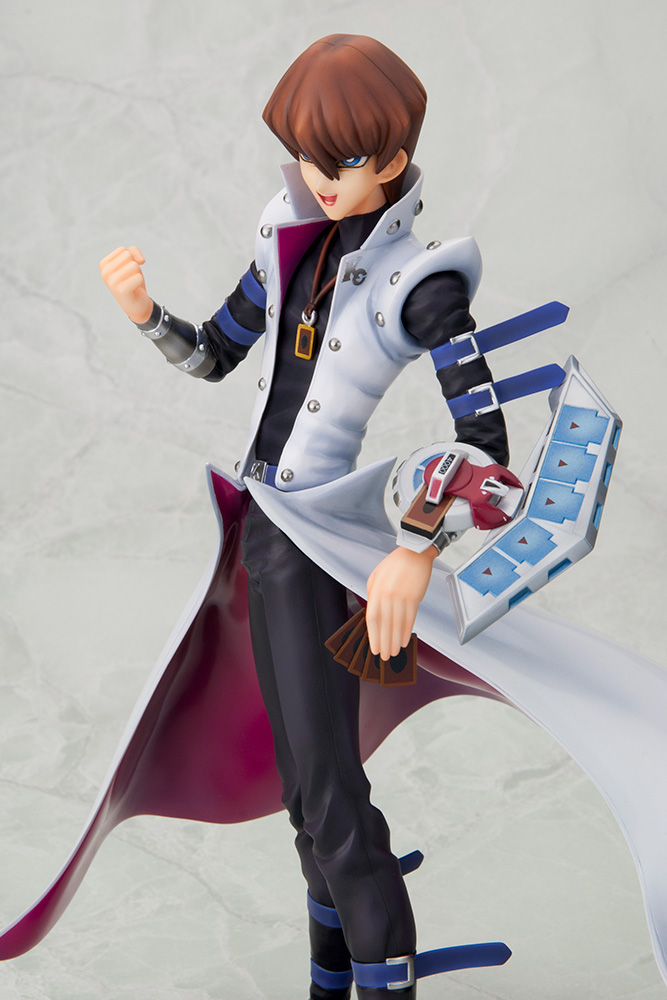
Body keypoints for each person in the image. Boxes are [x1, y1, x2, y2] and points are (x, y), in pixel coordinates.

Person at [99, 33, 513, 1000]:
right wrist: (146, 313)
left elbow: (487, 450)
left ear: (394, 160)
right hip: (259, 533)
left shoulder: (423, 281)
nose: (320, 179)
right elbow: (217, 353)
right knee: (302, 796)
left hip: (321, 543)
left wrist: (415, 547)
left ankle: (383, 977)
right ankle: (334, 978)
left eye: (344, 160)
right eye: (304, 156)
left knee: (329, 798)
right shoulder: (289, 236)